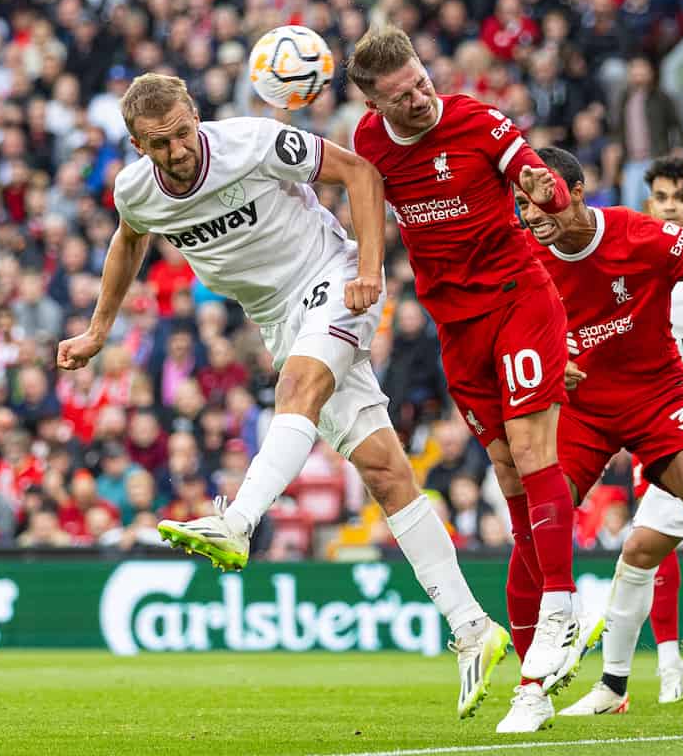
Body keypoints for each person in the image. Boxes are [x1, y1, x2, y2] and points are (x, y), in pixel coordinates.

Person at [55, 73, 507, 720]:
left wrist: (371, 270)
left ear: (196, 116)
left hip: (329, 276)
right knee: (384, 469)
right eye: (160, 143)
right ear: (136, 145)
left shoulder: (255, 143)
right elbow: (128, 240)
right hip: (276, 318)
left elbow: (361, 174)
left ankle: (236, 524)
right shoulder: (136, 192)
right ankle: (472, 629)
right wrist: (99, 329)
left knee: (296, 387)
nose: (178, 150)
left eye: (184, 132)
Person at [347, 27, 584, 699]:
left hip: (518, 297)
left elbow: (547, 190)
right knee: (506, 467)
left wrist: (544, 188)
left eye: (422, 82)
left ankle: (562, 609)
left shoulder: (477, 119)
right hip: (457, 324)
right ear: (374, 104)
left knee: (534, 449)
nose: (420, 99)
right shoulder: (368, 147)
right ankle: (540, 621)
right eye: (401, 96)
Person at [515, 149, 683, 733]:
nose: (531, 213)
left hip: (657, 399)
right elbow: (502, 337)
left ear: (574, 190)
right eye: (520, 204)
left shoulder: (638, 234)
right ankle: (531, 685)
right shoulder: (521, 259)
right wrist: (546, 361)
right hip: (581, 411)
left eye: (540, 197)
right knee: (536, 521)